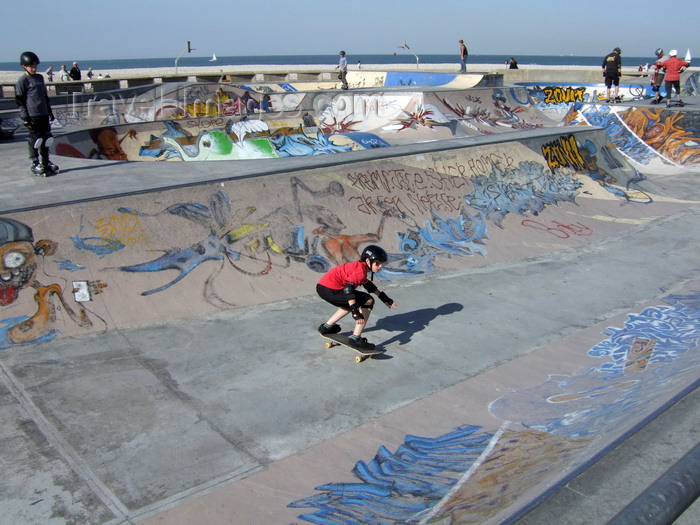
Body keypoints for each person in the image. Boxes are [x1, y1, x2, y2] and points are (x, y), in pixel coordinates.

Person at [316, 245, 397, 351]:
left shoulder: (359, 267)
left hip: (323, 287)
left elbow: (368, 285)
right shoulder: (360, 271)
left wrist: (384, 298)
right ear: (368, 261)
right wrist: (355, 311)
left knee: (348, 302)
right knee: (368, 300)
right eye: (378, 263)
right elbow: (348, 289)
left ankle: (326, 327)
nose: (380, 266)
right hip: (332, 289)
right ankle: (356, 339)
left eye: (381, 263)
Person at [15, 51, 58, 176]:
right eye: (31, 66)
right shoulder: (22, 81)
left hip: (43, 112)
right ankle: (34, 163)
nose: (34, 68)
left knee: (47, 139)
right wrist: (25, 118)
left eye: (35, 66)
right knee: (35, 140)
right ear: (24, 66)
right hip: (32, 115)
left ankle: (46, 161)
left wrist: (49, 111)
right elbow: (20, 101)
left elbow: (45, 96)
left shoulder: (40, 78)